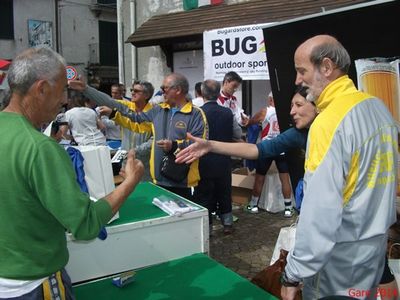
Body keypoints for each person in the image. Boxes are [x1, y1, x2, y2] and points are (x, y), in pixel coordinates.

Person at [176, 84, 398, 298]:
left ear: (317, 105)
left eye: (299, 105)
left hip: (362, 228)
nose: (291, 111)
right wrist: (211, 146)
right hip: (338, 234)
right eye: (291, 105)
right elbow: (258, 149)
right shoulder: (299, 134)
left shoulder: (344, 126)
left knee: (380, 271)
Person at [0, 47, 144, 299]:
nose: (64, 100)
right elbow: (85, 225)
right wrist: (129, 182)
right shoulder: (40, 148)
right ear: (41, 88)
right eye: (62, 91)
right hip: (33, 284)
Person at [278, 35, 398, 299]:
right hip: (373, 250)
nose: (298, 80)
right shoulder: (379, 109)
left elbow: (320, 211)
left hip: (339, 259)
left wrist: (294, 272)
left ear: (326, 67)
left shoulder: (329, 122)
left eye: (302, 71)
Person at [69, 73, 208, 200]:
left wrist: (174, 145)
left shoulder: (196, 114)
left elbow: (201, 145)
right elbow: (119, 107)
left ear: (177, 90)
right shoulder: (159, 110)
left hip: (182, 182)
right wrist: (87, 89)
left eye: (164, 88)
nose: (161, 91)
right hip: (157, 180)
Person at [193, 79, 242, 235]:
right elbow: (238, 134)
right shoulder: (227, 112)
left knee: (203, 194)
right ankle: (227, 224)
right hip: (223, 159)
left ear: (201, 93)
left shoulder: (197, 112)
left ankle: (206, 228)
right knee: (224, 191)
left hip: (203, 160)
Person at [246, 92, 293, 216]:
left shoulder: (264, 111)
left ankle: (254, 205)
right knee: (285, 179)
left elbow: (251, 122)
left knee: (260, 177)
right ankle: (288, 207)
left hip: (266, 148)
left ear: (270, 100)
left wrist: (249, 122)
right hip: (281, 148)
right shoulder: (286, 112)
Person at [99, 80, 154, 182]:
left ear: (146, 95)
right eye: (132, 90)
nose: (132, 92)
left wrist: (136, 151)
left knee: (144, 191)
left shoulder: (154, 113)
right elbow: (107, 100)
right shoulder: (126, 107)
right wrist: (85, 89)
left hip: (144, 163)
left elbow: (153, 139)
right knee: (127, 192)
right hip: (126, 160)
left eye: (136, 91)